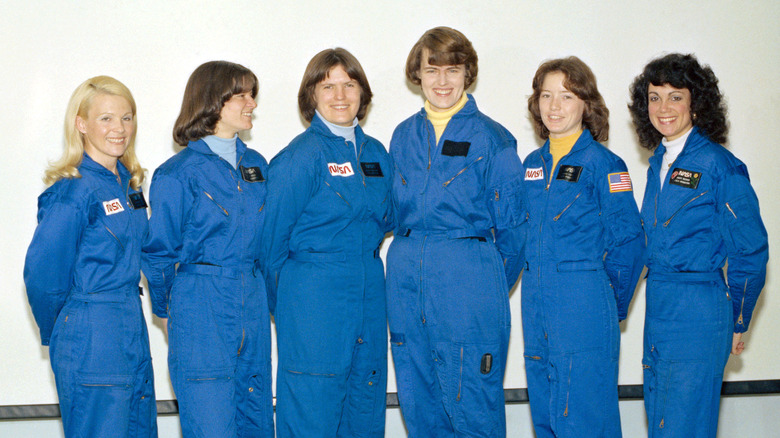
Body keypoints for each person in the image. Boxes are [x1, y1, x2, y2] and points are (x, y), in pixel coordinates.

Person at [386, 27, 527, 437]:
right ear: (418, 74)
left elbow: (514, 233)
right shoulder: (402, 136)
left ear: (468, 74)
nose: (442, 81)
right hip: (407, 274)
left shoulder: (493, 139)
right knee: (419, 397)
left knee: (472, 403)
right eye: (432, 70)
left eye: (453, 70)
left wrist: (481, 280)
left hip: (467, 279)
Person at [629, 53, 768, 438]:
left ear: (696, 103)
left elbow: (750, 249)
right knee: (661, 419)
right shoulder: (660, 161)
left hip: (699, 309)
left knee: (682, 426)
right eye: (654, 97)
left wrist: (741, 317)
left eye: (676, 96)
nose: (663, 108)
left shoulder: (720, 165)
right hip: (660, 305)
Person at [263, 48, 392, 438]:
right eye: (328, 86)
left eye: (349, 85)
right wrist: (290, 305)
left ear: (362, 93)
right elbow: (269, 248)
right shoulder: (299, 158)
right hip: (314, 299)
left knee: (365, 407)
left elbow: (388, 219)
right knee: (311, 411)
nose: (340, 96)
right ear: (312, 96)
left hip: (369, 293)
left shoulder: (377, 154)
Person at [142, 61, 273, 437]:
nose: (251, 104)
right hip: (201, 300)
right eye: (242, 95)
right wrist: (168, 310)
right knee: (210, 417)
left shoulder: (257, 165)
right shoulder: (177, 173)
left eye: (253, 95)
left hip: (251, 295)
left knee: (255, 413)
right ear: (214, 102)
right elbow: (159, 251)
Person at [24, 76, 157, 437]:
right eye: (106, 119)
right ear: (81, 124)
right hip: (92, 333)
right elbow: (42, 276)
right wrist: (67, 330)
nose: (120, 129)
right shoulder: (73, 190)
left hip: (131, 326)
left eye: (127, 118)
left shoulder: (130, 185)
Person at [522, 57, 644, 437]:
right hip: (536, 304)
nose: (554, 107)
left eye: (567, 96)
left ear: (586, 104)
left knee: (584, 417)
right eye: (546, 96)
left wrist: (610, 304)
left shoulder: (605, 164)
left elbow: (630, 244)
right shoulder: (531, 164)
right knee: (545, 414)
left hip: (583, 304)